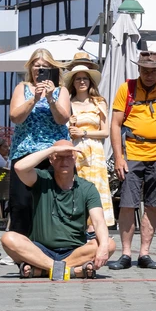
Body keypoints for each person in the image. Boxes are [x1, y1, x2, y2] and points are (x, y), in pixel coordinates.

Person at [2, 140, 110, 280]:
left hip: (75, 251)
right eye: (58, 156)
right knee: (8, 238)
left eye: (68, 156)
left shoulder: (87, 188)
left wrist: (103, 247)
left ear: (75, 158)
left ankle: (44, 269)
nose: (64, 161)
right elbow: (19, 167)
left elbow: (98, 221)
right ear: (51, 160)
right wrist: (50, 150)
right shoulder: (42, 179)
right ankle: (70, 271)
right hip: (40, 249)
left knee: (109, 244)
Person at [110, 49, 156, 270]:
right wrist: (119, 157)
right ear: (139, 69)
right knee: (127, 204)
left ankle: (144, 253)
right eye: (145, 70)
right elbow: (115, 125)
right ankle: (125, 253)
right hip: (133, 152)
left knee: (153, 205)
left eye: (153, 70)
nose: (149, 74)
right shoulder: (127, 89)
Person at [7, 49, 71, 242]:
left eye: (45, 66)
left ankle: (52, 243)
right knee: (21, 202)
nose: (40, 69)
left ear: (52, 69)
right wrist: (34, 99)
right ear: (31, 68)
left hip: (53, 154)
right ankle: (18, 246)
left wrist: (50, 98)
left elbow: (63, 119)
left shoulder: (61, 91)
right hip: (25, 151)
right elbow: (15, 117)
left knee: (52, 201)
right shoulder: (22, 88)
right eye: (37, 65)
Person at [63, 53, 113, 224]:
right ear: (73, 82)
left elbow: (105, 132)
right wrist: (69, 126)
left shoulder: (99, 102)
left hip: (95, 151)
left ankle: (96, 226)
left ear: (90, 81)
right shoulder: (68, 103)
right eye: (78, 79)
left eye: (85, 78)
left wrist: (84, 133)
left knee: (95, 188)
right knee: (75, 187)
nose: (82, 82)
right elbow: (62, 130)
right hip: (75, 150)